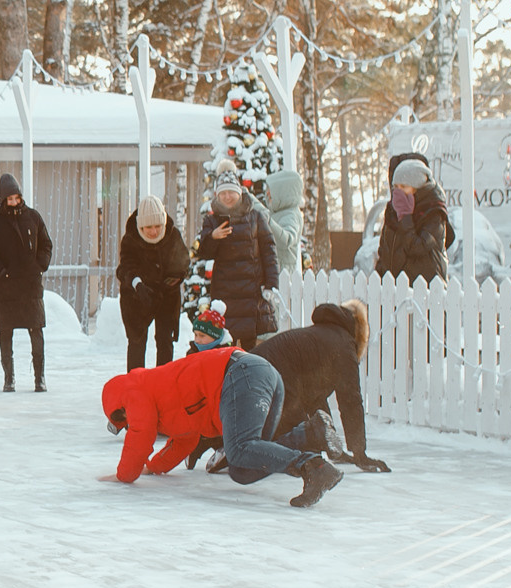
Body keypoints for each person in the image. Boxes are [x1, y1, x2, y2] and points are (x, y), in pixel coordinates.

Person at [100, 346, 345, 507]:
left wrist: (124, 475)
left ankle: (310, 465)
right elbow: (185, 441)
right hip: (258, 373)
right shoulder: (161, 400)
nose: (129, 423)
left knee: (239, 448)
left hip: (240, 373)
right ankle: (313, 437)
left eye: (124, 422)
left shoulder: (134, 389)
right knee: (243, 469)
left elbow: (141, 433)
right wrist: (152, 467)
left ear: (119, 409)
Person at [236, 297, 391, 473]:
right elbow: (350, 401)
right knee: (297, 443)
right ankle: (237, 454)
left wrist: (334, 446)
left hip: (252, 369)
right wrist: (360, 454)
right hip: (270, 375)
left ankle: (229, 448)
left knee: (296, 437)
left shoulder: (320, 337)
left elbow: (314, 399)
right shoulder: (342, 345)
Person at [0, 172, 54, 393]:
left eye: (16, 198)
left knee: (36, 330)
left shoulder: (33, 217)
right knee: (6, 332)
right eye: (9, 199)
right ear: (3, 199)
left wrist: (40, 265)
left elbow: (46, 245)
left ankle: (40, 378)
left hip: (31, 286)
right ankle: (9, 378)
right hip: (6, 287)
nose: (13, 202)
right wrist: (1, 271)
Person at [197, 170, 278, 350]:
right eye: (223, 193)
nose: (227, 197)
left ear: (239, 193)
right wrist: (213, 237)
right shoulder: (211, 221)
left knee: (252, 346)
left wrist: (271, 283)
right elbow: (203, 253)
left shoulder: (256, 217)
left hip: (252, 291)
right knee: (226, 345)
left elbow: (269, 251)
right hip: (226, 293)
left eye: (231, 192)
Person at [116, 196, 189, 370]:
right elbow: (125, 268)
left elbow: (181, 266)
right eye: (148, 227)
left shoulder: (173, 236)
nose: (154, 231)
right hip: (137, 297)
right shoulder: (130, 239)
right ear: (140, 226)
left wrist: (166, 287)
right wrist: (137, 284)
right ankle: (135, 386)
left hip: (167, 296)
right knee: (136, 342)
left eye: (158, 226)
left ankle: (163, 385)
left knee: (165, 341)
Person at [375, 156, 452, 283]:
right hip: (393, 289)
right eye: (396, 187)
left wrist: (405, 217)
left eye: (404, 187)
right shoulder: (393, 210)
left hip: (425, 289)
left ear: (418, 187)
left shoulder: (434, 212)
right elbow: (384, 249)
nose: (398, 192)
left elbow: (417, 248)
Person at [258, 168, 306, 276]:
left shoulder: (291, 215)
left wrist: (265, 218)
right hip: (273, 269)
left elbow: (286, 240)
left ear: (283, 192)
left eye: (272, 190)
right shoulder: (277, 213)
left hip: (282, 273)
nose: (268, 194)